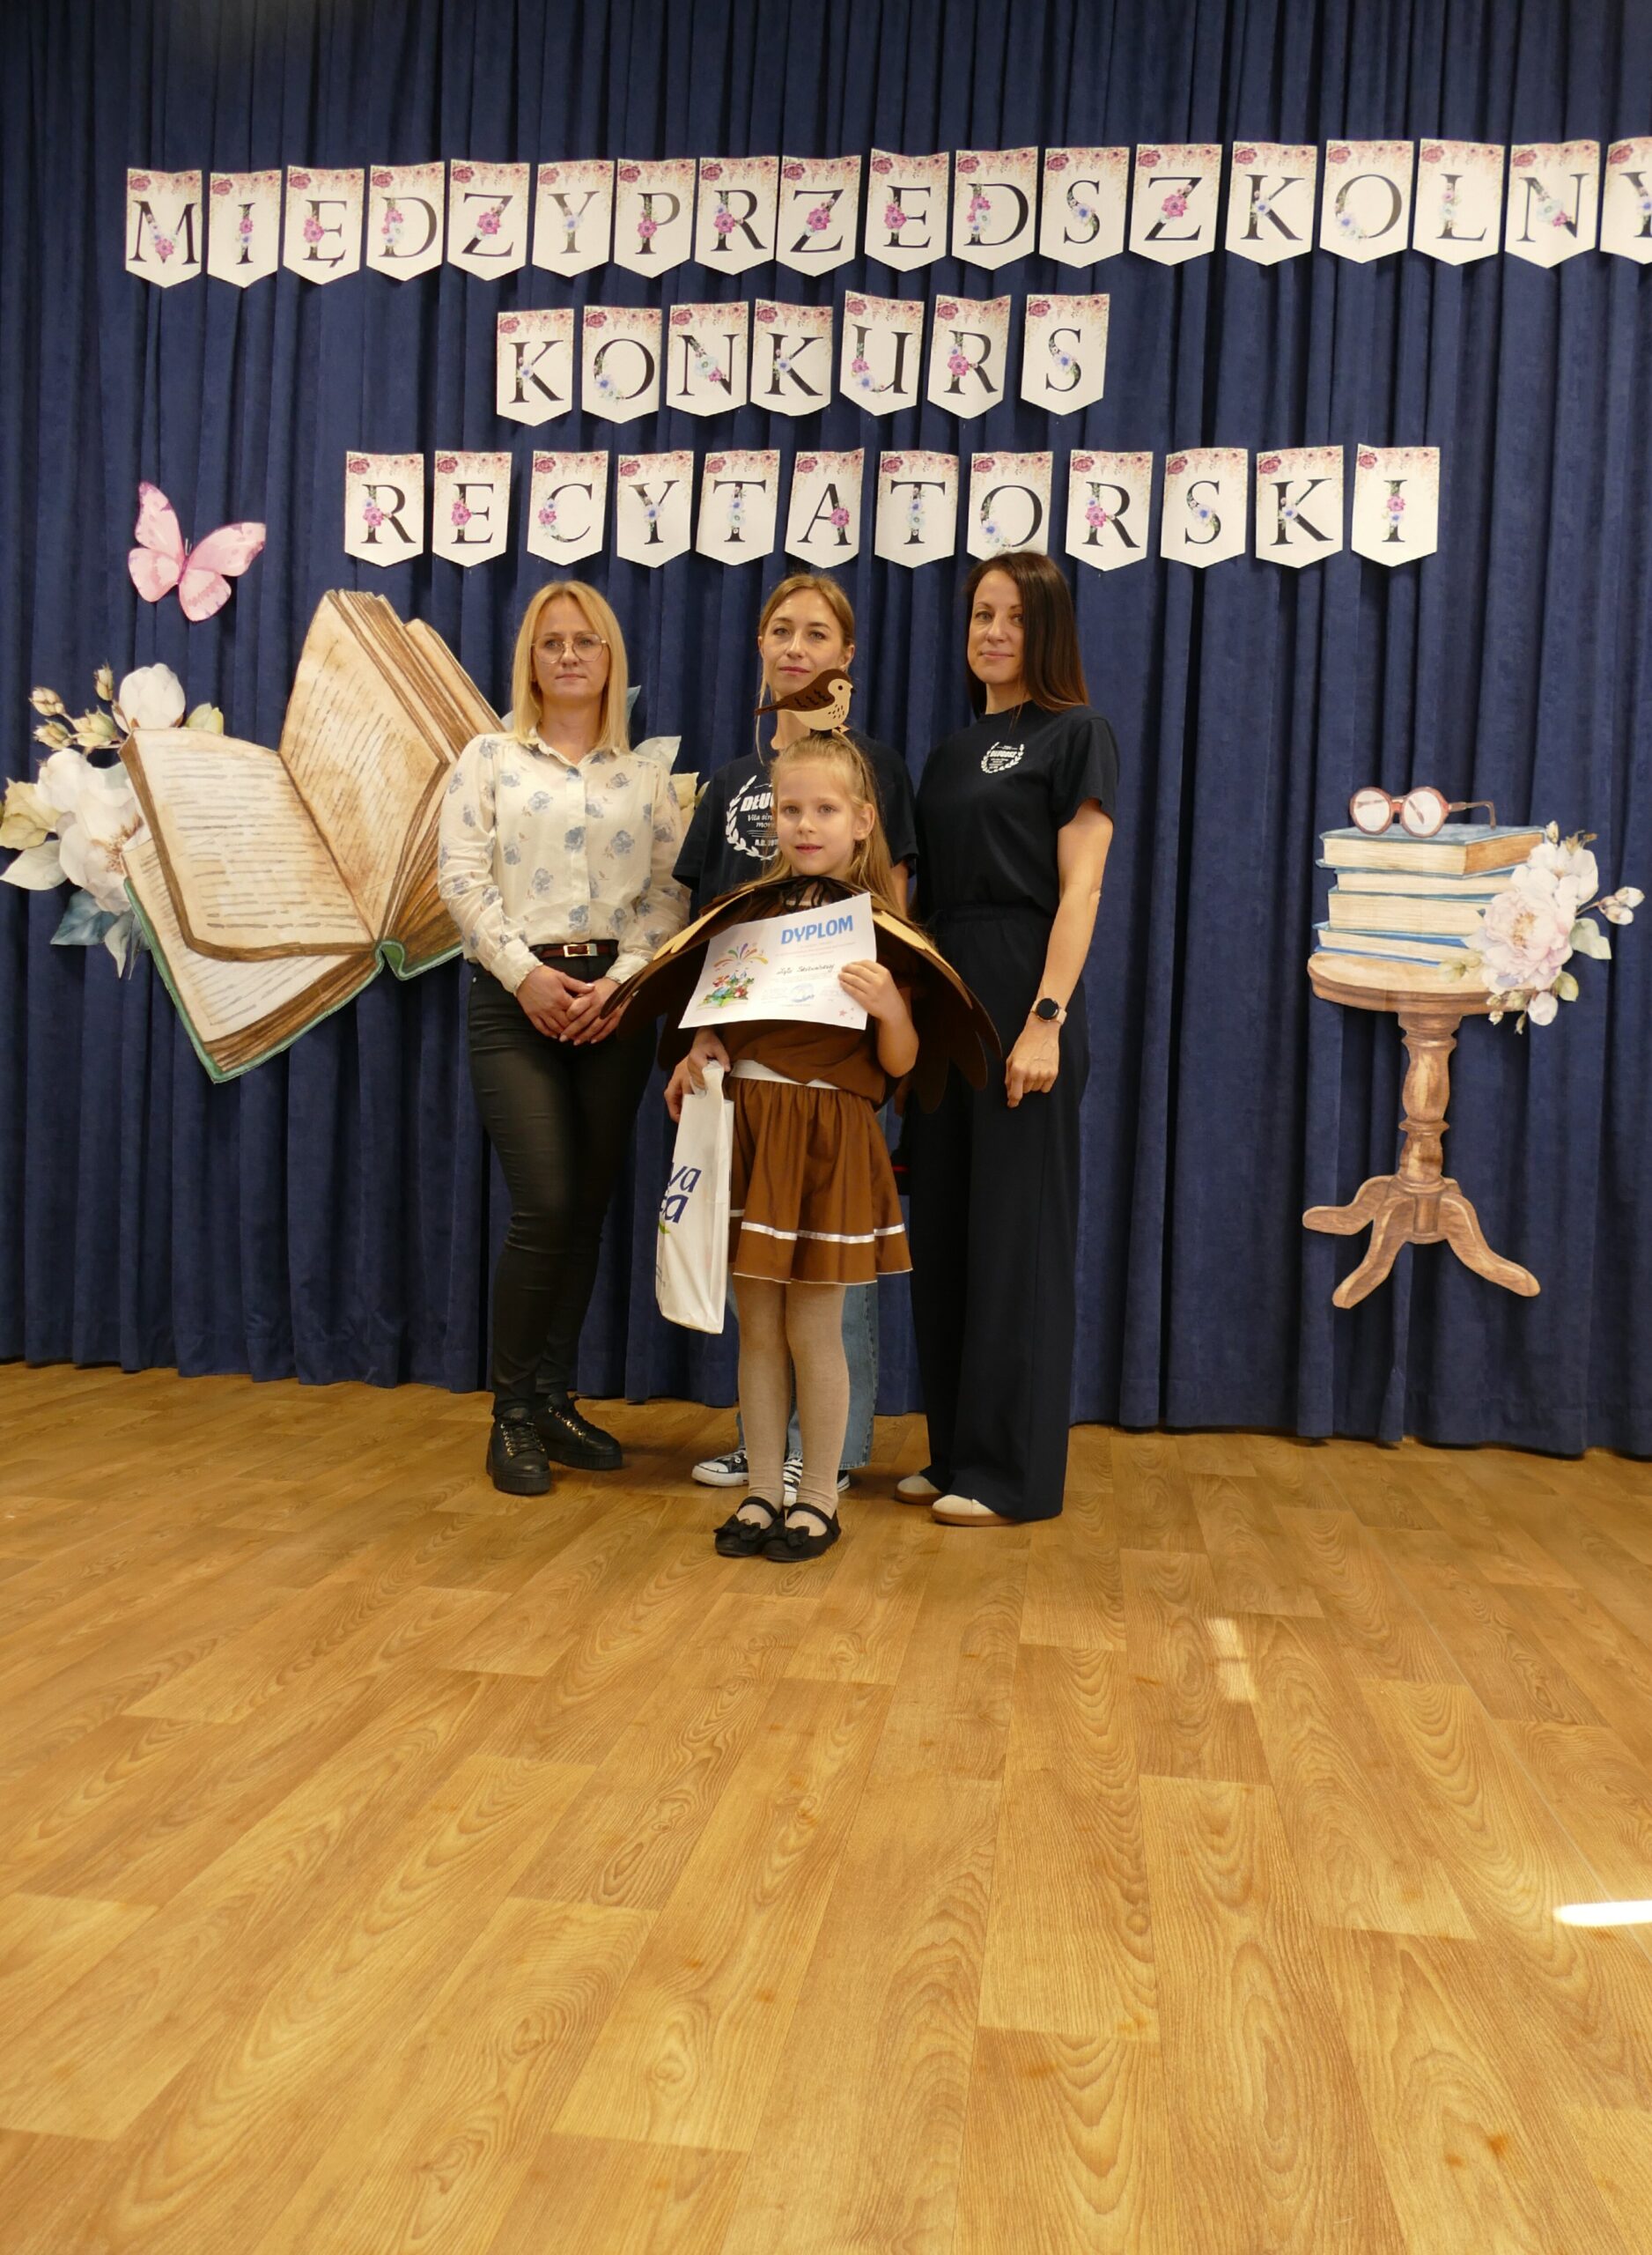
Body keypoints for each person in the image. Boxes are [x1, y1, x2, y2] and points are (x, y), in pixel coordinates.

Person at [439, 580, 689, 1495]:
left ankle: (551, 1398)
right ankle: (509, 1414)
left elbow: (668, 893)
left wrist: (622, 982)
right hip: (516, 1001)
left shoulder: (646, 776)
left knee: (583, 1209)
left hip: (614, 1006)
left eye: (586, 641)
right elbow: (460, 880)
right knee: (544, 1202)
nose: (570, 655)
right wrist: (527, 976)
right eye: (553, 642)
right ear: (531, 660)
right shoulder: (488, 758)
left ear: (610, 657)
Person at [674, 572, 918, 1499]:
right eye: (790, 811)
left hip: (832, 1131)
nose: (805, 824)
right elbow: (715, 1002)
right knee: (759, 1327)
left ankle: (820, 1486)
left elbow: (899, 1059)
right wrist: (702, 1046)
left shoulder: (882, 924)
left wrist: (891, 1009)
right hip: (752, 1126)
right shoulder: (746, 903)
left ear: (861, 819)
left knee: (818, 1326)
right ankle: (764, 1487)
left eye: (824, 811)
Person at [902, 551, 1117, 1527]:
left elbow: (1082, 889)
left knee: (1015, 1240)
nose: (992, 632)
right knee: (948, 1231)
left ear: (1048, 630)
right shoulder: (949, 752)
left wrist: (1046, 1017)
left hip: (1024, 991)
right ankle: (954, 1452)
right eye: (982, 614)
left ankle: (1009, 1475)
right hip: (947, 997)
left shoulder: (1077, 733)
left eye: (1015, 618)